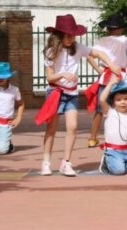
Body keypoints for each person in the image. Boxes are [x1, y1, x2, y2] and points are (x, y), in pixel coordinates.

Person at [35, 14, 121, 177]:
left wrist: (111, 65)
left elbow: (98, 54)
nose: (72, 38)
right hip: (55, 92)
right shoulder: (51, 51)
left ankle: (66, 162)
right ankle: (46, 162)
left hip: (71, 94)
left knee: (72, 127)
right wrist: (63, 75)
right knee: (51, 128)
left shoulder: (78, 47)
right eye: (69, 35)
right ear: (59, 35)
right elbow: (49, 77)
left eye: (74, 34)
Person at [84, 14, 127, 148]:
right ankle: (123, 137)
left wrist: (98, 69)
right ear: (120, 28)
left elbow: (89, 54)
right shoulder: (124, 40)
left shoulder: (102, 40)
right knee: (122, 106)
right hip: (119, 75)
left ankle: (92, 138)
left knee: (100, 109)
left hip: (105, 75)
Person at [98, 75, 127, 175]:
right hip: (113, 151)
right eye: (118, 100)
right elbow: (102, 99)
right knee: (118, 171)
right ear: (113, 103)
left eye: (126, 99)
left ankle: (126, 162)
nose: (123, 102)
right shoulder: (110, 112)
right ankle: (106, 161)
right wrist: (110, 83)